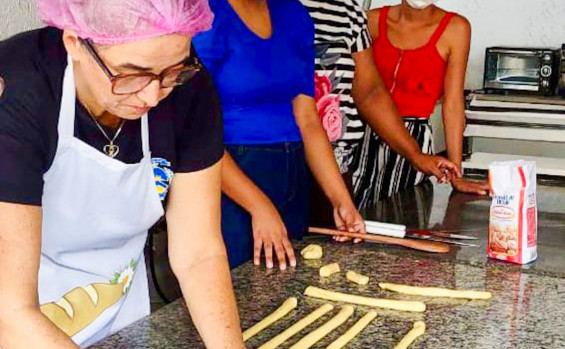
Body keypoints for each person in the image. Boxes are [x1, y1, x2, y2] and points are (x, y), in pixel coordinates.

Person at [0, 1, 245, 348]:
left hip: (115, 317)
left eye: (172, 72)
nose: (152, 96)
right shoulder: (17, 92)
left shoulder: (189, 89)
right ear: (75, 42)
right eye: (132, 74)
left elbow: (199, 251)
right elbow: (10, 313)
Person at [193, 0, 366, 270]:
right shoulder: (206, 13)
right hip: (230, 177)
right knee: (240, 290)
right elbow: (196, 132)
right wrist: (258, 206)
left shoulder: (293, 13)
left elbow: (308, 119)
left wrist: (341, 201)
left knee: (287, 289)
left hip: (293, 175)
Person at [299, 0, 460, 227]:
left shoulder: (349, 13)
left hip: (336, 169)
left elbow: (370, 93)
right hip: (281, 165)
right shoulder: (274, 8)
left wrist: (416, 154)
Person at [356, 0, 488, 208]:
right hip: (362, 135)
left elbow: (453, 104)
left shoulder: (455, 28)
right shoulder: (370, 20)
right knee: (350, 219)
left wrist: (456, 174)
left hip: (415, 141)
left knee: (401, 217)